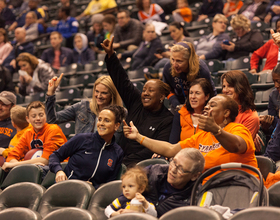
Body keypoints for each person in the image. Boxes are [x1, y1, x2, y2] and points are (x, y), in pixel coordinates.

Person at [123, 94, 258, 182]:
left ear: (226, 113)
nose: (206, 107)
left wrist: (216, 130)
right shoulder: (202, 135)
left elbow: (237, 146)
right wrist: (138, 137)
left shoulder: (238, 129)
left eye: (212, 105)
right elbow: (171, 149)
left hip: (240, 185)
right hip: (208, 188)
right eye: (207, 104)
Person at [101, 37, 174, 166]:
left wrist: (126, 163)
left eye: (150, 90)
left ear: (162, 96)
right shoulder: (136, 102)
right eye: (144, 89)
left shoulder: (167, 120)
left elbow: (156, 150)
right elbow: (122, 80)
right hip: (118, 159)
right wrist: (111, 55)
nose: (145, 93)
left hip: (140, 165)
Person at [49, 105, 125, 189]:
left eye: (107, 120)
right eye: (99, 119)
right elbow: (55, 156)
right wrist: (59, 171)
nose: (101, 124)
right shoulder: (82, 139)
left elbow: (109, 184)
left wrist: (92, 187)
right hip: (67, 187)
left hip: (93, 196)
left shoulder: (118, 152)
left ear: (116, 126)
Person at [46, 75, 122, 135]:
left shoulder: (121, 113)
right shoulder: (82, 106)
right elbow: (52, 119)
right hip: (82, 153)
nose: (99, 96)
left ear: (112, 95)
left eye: (104, 93)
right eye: (97, 91)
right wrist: (50, 93)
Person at [2, 101, 67, 171]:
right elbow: (12, 155)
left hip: (59, 168)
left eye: (41, 115)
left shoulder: (53, 129)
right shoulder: (27, 133)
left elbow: (47, 159)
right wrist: (17, 166)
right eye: (34, 116)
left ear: (46, 116)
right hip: (38, 169)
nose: (38, 118)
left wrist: (15, 164)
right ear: (28, 119)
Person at [162, 41, 216, 111]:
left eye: (179, 61)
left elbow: (210, 92)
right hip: (178, 104)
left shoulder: (201, 69)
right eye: (173, 60)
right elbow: (167, 89)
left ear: (189, 60)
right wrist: (177, 105)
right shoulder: (168, 67)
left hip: (199, 105)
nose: (174, 65)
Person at [169, 78, 215, 144]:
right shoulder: (180, 114)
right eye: (191, 93)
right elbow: (173, 143)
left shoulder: (213, 116)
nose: (193, 97)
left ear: (207, 96)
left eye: (197, 93)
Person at [221, 70, 259, 140]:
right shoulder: (218, 110)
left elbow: (240, 146)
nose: (225, 90)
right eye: (224, 86)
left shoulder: (251, 117)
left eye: (230, 86)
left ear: (240, 87)